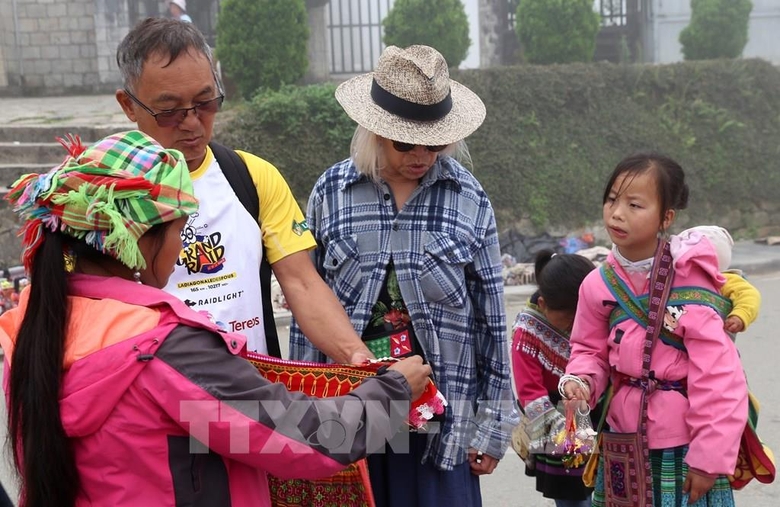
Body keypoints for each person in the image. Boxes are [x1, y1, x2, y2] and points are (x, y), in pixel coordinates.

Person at [0, 130, 432, 507]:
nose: (182, 247)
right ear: (138, 238)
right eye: (179, 229)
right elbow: (302, 438)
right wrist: (391, 392)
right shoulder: (168, 350)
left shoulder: (31, 327)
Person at [289, 45, 518, 507]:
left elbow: (491, 319)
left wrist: (492, 424)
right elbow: (307, 304)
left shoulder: (469, 199)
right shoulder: (331, 192)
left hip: (442, 428)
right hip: (350, 416)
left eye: (434, 143)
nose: (421, 156)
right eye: (405, 143)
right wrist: (302, 417)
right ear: (374, 131)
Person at [115, 18, 373, 363]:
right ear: (129, 105)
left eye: (205, 102)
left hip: (251, 399)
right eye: (169, 110)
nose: (192, 122)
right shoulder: (103, 192)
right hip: (155, 402)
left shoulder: (252, 177)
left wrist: (359, 358)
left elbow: (302, 283)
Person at [561, 153, 748, 506]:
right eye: (612, 199)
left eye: (635, 204)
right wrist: (581, 381)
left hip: (685, 446)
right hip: (622, 441)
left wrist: (709, 457)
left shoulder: (692, 279)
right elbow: (588, 351)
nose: (617, 213)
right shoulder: (596, 284)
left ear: (667, 217)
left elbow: (719, 374)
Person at [511, 250, 596, 507]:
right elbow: (530, 393)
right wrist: (569, 437)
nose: (576, 323)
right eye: (570, 316)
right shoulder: (527, 334)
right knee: (573, 499)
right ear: (545, 304)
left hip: (598, 414)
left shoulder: (592, 317)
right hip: (559, 424)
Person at [677, 225, 761, 336]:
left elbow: (749, 295)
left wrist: (740, 315)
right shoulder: (677, 277)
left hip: (713, 340)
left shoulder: (726, 279)